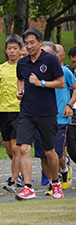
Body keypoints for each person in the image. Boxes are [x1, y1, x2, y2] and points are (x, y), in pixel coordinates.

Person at [15, 28, 65, 200]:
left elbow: (60, 83)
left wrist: (41, 83)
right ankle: (28, 187)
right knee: (23, 148)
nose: (28, 46)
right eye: (26, 43)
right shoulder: (22, 63)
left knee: (49, 151)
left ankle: (55, 183)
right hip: (27, 112)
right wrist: (19, 92)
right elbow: (20, 79)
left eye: (32, 43)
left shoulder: (50, 59)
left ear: (40, 43)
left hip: (47, 113)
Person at [33, 41, 75, 196]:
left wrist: (69, 105)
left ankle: (63, 170)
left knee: (56, 154)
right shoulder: (35, 71)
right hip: (39, 118)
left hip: (59, 119)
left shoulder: (64, 71)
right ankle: (53, 182)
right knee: (43, 156)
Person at [0, 34, 24, 193]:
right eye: (9, 48)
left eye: (15, 48)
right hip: (3, 111)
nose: (12, 51)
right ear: (6, 50)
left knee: (16, 149)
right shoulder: (0, 68)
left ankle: (14, 180)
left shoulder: (24, 67)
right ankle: (20, 172)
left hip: (20, 112)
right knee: (9, 150)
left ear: (20, 50)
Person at [66, 47, 76, 164]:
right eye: (73, 62)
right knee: (71, 147)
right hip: (71, 113)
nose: (75, 65)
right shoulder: (69, 73)